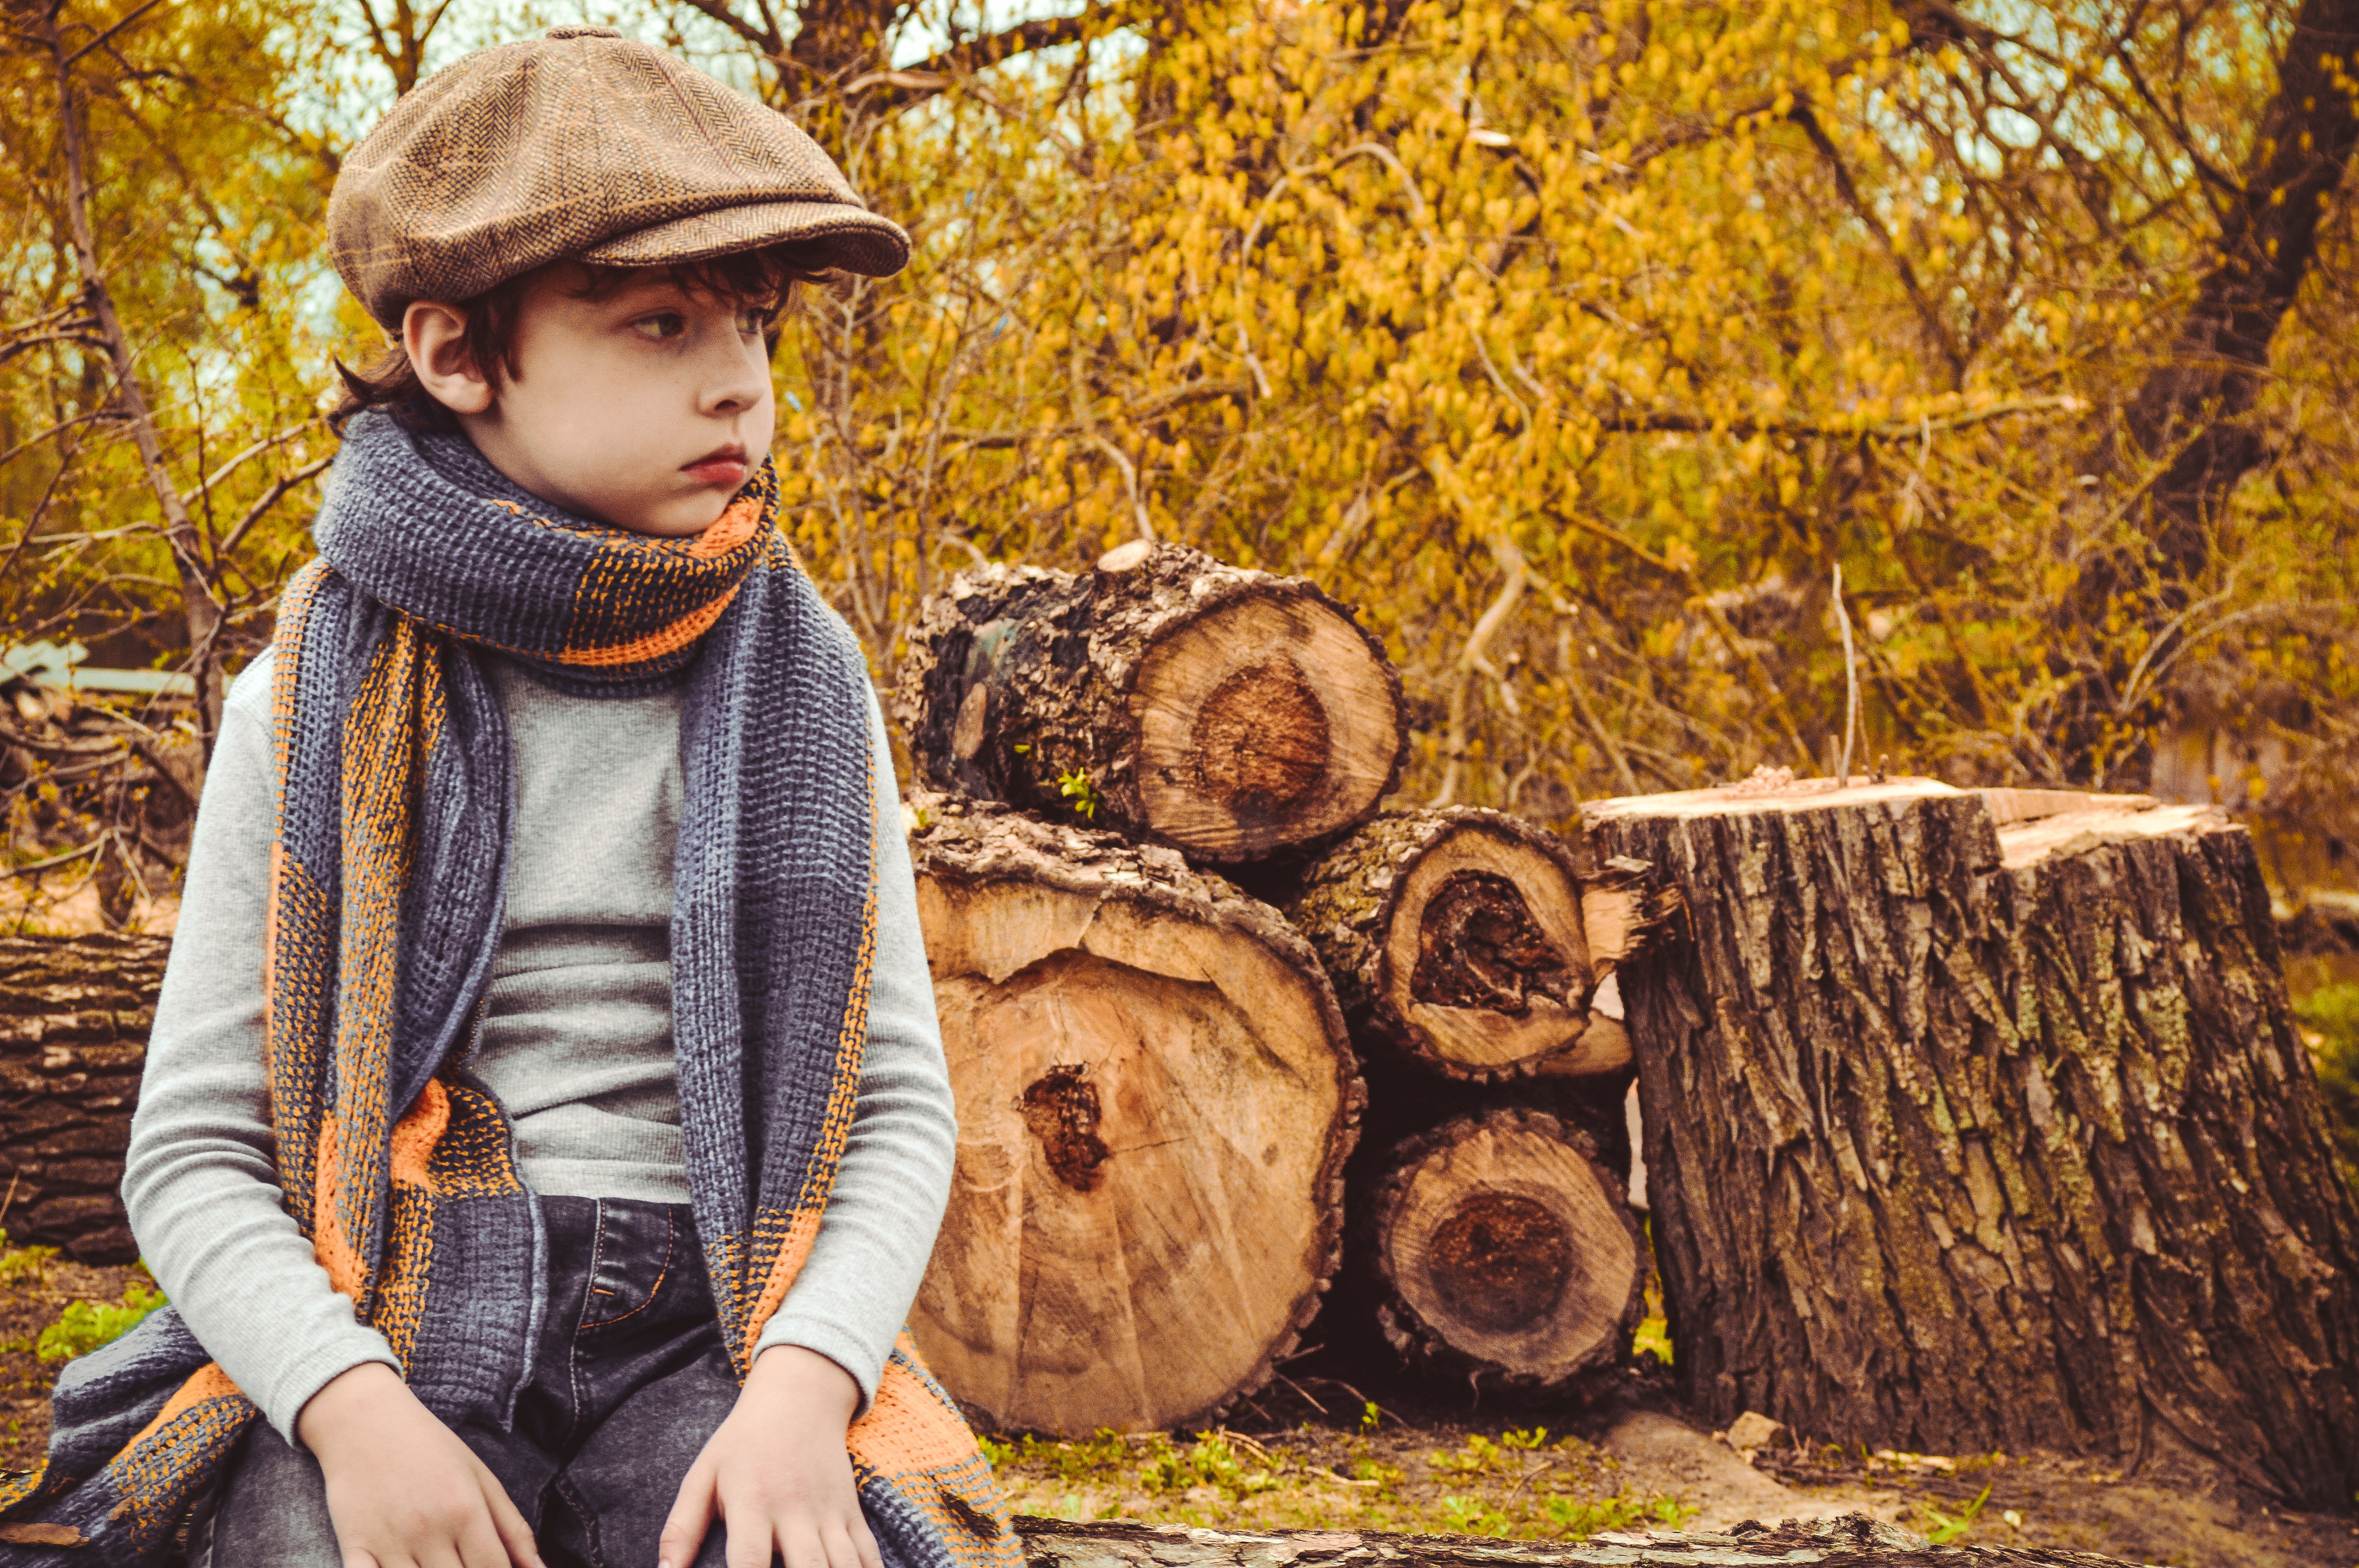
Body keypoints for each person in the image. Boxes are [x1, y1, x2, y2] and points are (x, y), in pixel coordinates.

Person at [0, 28, 1012, 1568]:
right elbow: (191, 1155)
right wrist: (349, 1415)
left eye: (754, 323)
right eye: (662, 323)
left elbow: (893, 1115)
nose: (738, 383)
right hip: (394, 1314)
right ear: (460, 353)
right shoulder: (308, 702)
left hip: (722, 1331)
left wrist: (808, 1389)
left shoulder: (810, 690)